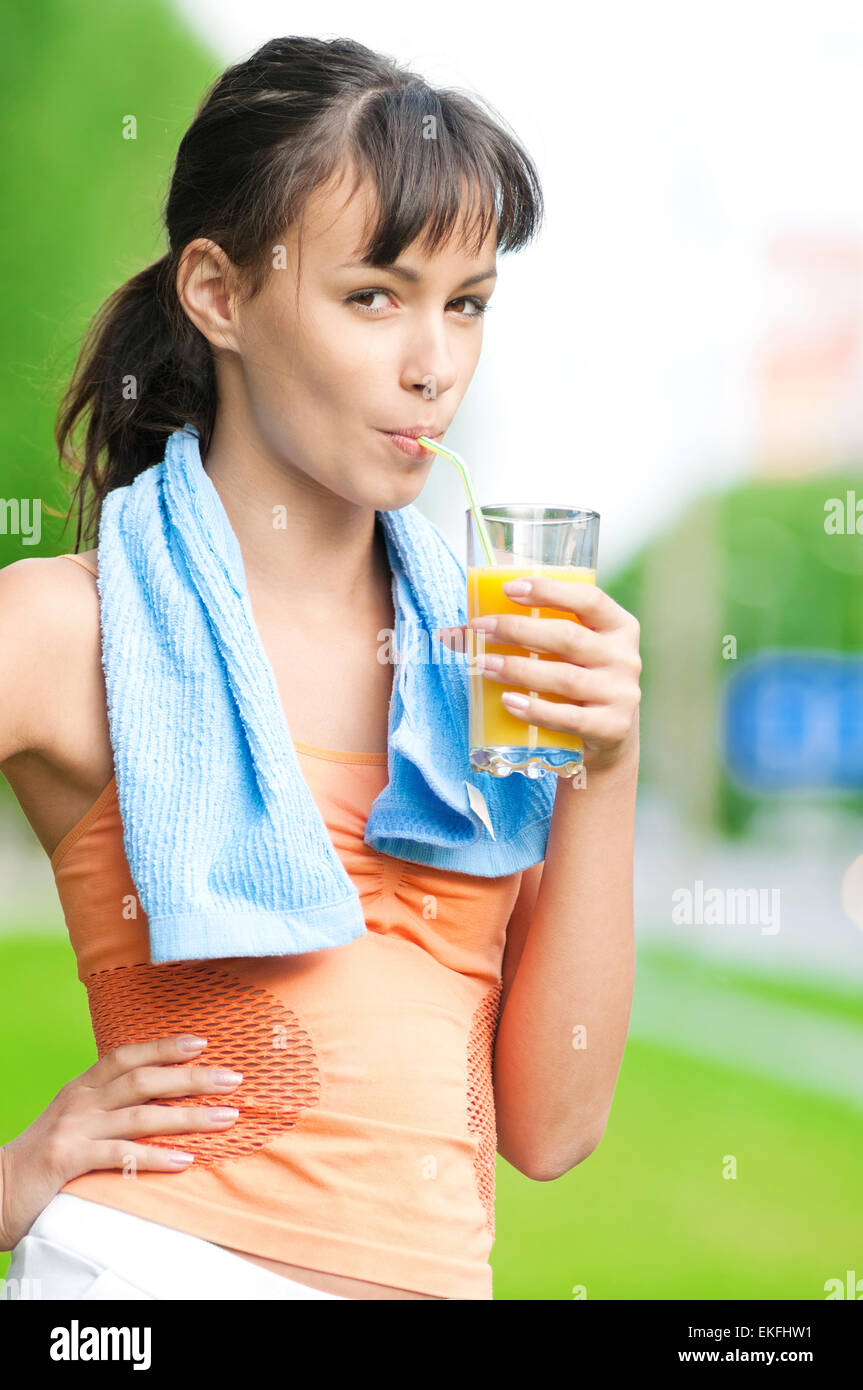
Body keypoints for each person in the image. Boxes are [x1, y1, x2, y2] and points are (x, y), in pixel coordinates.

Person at [0, 35, 641, 1301]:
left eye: (464, 302)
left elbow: (550, 1131)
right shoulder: (68, 626)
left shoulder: (487, 661)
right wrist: (13, 1171)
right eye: (374, 296)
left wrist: (604, 769)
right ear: (218, 295)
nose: (433, 363)